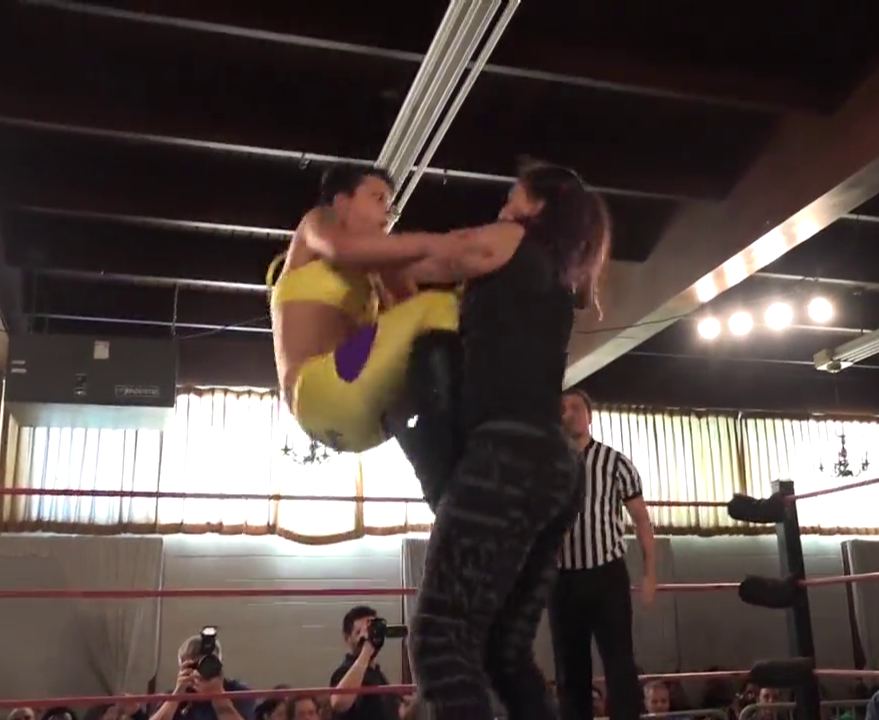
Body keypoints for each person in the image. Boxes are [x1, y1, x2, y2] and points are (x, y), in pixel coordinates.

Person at [311, 160, 610, 718]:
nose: (504, 203)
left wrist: (343, 241)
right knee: (503, 651)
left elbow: (434, 255)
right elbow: (418, 280)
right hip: (552, 468)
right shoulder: (556, 272)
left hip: (508, 457)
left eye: (514, 194)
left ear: (537, 205)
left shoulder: (513, 239)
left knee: (438, 639)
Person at [268, 165, 463, 455]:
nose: (387, 214)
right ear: (342, 201)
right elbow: (340, 249)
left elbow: (416, 319)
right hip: (315, 392)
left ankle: (450, 452)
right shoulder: (318, 222)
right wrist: (438, 245)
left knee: (450, 318)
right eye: (378, 198)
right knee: (442, 305)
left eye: (390, 206)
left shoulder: (377, 270)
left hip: (365, 423)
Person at [550, 387, 657, 720]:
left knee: (620, 665)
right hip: (563, 579)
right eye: (564, 408)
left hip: (606, 575)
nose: (571, 413)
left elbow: (641, 520)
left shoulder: (615, 462)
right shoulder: (547, 466)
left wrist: (650, 573)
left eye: (577, 407)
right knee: (570, 670)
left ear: (590, 416)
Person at [147, 634, 252, 720]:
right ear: (182, 667)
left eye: (207, 664)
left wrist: (218, 696)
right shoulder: (170, 698)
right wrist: (176, 696)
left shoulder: (238, 692)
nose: (201, 670)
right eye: (194, 666)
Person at [329, 605, 396, 720]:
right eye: (358, 632)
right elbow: (339, 702)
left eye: (371, 631)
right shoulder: (344, 671)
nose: (367, 636)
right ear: (347, 638)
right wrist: (367, 649)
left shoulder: (377, 674)